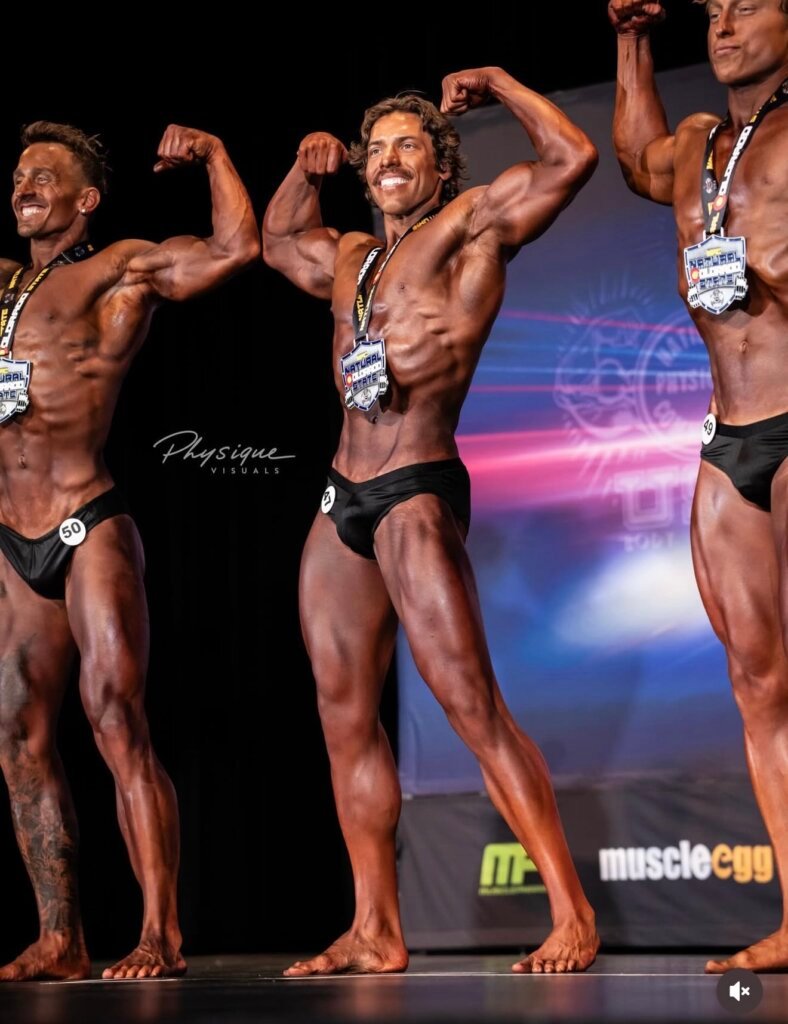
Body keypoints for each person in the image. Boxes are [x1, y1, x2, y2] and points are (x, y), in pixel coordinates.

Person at [263, 67, 599, 976]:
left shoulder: (470, 224)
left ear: (440, 166)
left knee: (469, 704)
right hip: (342, 493)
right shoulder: (349, 258)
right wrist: (304, 165)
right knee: (344, 717)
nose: (387, 160)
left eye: (406, 145)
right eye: (375, 149)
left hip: (416, 483)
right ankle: (376, 926)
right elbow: (276, 241)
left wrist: (501, 85)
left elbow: (571, 158)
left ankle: (572, 913)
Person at [0, 121, 259, 981]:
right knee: (16, 734)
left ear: (85, 199)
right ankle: (61, 938)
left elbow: (233, 250)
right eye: (18, 175)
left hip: (86, 521)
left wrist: (214, 155)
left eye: (45, 175)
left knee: (115, 717)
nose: (24, 185)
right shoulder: (3, 285)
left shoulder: (115, 269)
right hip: (10, 538)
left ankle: (160, 932)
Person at [609, 0, 788, 973]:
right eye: (711, 9)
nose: (721, 24)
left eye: (745, 5)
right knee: (757, 683)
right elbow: (633, 157)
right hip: (728, 438)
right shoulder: (695, 145)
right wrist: (630, 39)